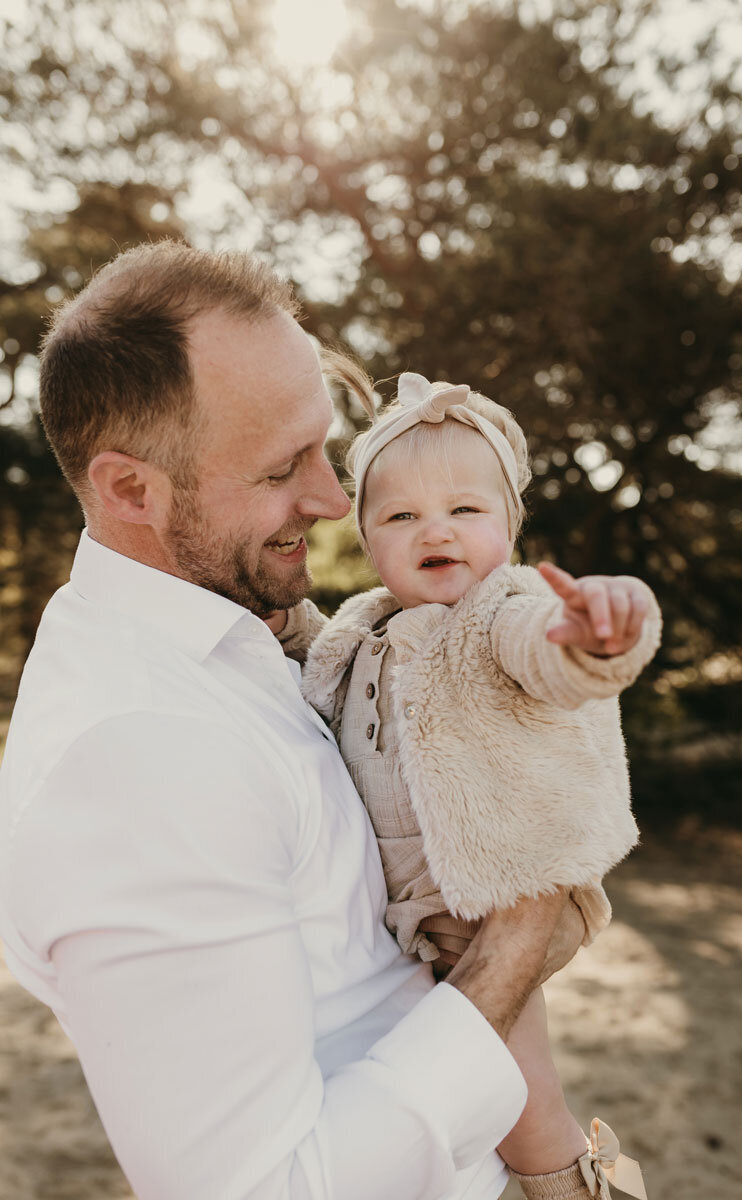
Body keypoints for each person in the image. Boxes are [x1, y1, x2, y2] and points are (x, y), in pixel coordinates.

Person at [0, 240, 593, 1200]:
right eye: (284, 466)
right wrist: (517, 940)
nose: (330, 499)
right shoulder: (136, 757)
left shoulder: (240, 639)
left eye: (326, 446)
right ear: (130, 491)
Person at [280, 372, 660, 1200]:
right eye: (402, 516)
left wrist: (590, 638)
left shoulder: (501, 614)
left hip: (488, 905)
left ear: (512, 527)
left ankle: (592, 1191)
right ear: (370, 541)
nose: (435, 530)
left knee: (525, 1104)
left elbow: (551, 659)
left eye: (465, 509)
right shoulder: (361, 627)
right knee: (442, 1108)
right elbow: (309, 671)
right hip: (403, 922)